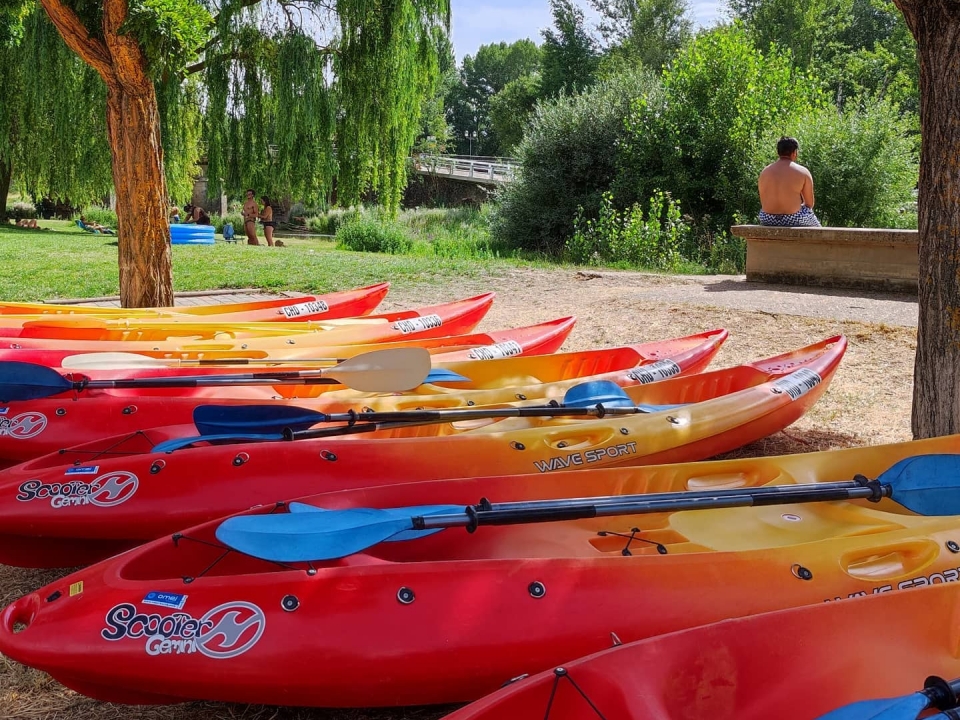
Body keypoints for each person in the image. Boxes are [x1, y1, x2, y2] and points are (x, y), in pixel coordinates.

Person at [757, 136, 821, 227]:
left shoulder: (764, 172)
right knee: (818, 229)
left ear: (777, 152)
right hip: (793, 218)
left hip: (767, 218)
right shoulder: (803, 172)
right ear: (794, 152)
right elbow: (809, 204)